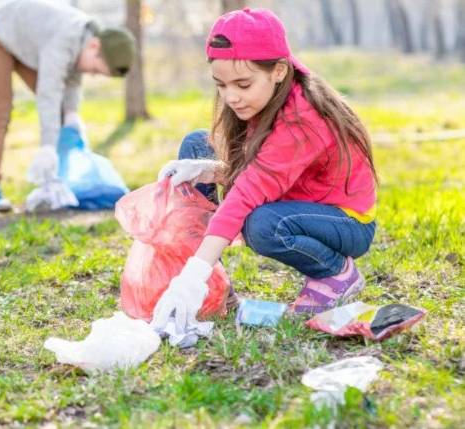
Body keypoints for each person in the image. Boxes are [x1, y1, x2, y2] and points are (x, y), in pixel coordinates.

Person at [152, 8, 378, 333]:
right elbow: (261, 168)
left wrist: (191, 275)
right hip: (297, 195)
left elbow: (250, 190)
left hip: (344, 221)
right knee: (195, 144)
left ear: (279, 71)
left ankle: (335, 272)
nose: (231, 97)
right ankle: (214, 287)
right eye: (221, 85)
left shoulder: (303, 117)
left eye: (243, 84)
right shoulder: (261, 100)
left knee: (263, 225)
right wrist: (209, 170)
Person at [0, 0, 136, 211]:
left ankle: (58, 182)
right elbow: (49, 94)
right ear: (94, 46)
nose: (93, 75)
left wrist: (71, 116)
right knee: (0, 110)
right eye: (96, 70)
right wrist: (47, 147)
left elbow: (72, 85)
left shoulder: (85, 43)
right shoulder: (64, 39)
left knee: (62, 113)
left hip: (28, 45)